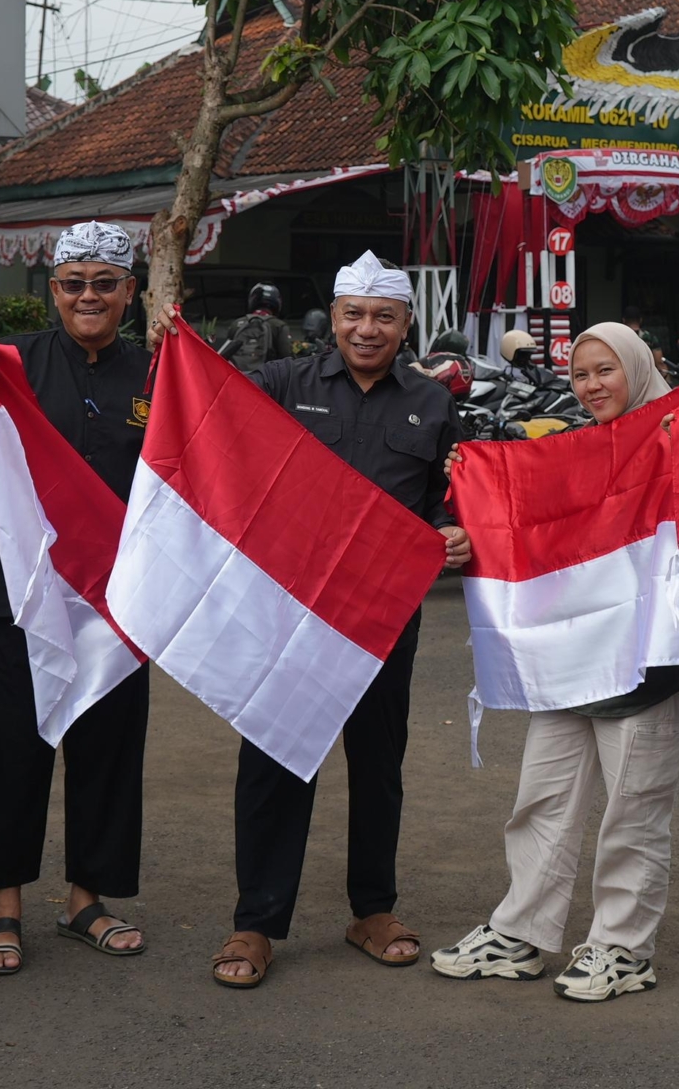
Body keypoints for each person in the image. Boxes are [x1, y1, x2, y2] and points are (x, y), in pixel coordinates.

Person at [209, 251, 472, 991]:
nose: (366, 328)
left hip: (383, 614)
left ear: (405, 323)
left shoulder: (431, 403)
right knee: (272, 766)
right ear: (333, 317)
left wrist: (455, 528)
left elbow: (455, 493)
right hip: (288, 614)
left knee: (377, 765)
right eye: (354, 313)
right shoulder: (283, 383)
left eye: (383, 315)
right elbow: (208, 411)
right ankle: (256, 921)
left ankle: (372, 909)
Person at [433, 323, 679, 1002]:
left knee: (633, 813)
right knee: (542, 801)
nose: (591, 385)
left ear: (639, 369)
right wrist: (468, 496)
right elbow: (523, 517)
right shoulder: (569, 448)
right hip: (567, 666)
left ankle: (622, 947)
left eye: (606, 370)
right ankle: (522, 932)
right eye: (581, 373)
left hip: (647, 670)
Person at [0, 221, 154, 976]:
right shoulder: (7, 364)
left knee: (107, 752)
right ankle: (3, 905)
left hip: (116, 604)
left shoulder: (158, 375)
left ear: (130, 292)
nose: (89, 296)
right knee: (6, 752)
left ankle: (87, 898)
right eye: (74, 283)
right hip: (18, 598)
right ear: (52, 290)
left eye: (105, 283)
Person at [221, 282, 297, 375]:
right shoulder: (278, 325)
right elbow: (287, 357)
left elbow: (226, 354)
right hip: (266, 381)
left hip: (239, 379)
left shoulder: (237, 324)